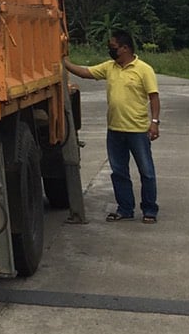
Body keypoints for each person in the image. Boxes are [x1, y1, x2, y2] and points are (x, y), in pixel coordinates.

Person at [63, 29, 160, 223]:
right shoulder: (110, 67)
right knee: (119, 172)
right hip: (115, 130)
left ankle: (149, 210)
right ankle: (125, 208)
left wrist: (154, 122)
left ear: (125, 48)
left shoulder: (143, 69)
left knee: (146, 171)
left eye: (113, 47)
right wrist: (64, 62)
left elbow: (154, 97)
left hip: (138, 131)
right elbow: (85, 72)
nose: (110, 50)